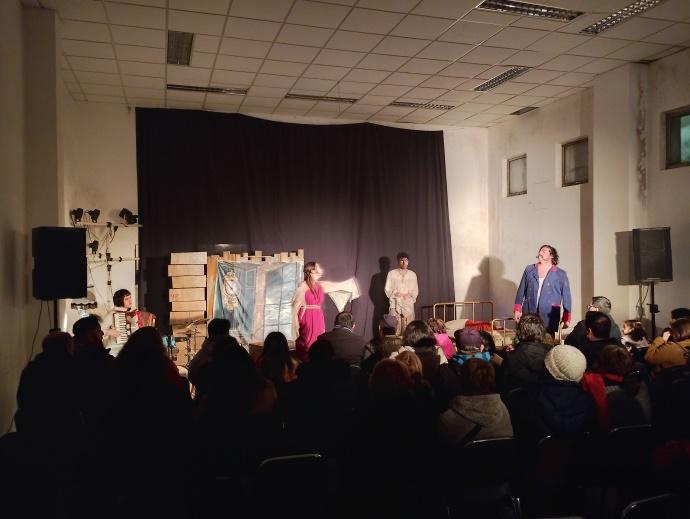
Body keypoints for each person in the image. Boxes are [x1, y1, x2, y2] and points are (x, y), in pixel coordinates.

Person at [514, 244, 572, 335]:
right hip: (530, 311)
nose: (540, 253)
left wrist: (566, 318)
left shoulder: (561, 274)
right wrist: (517, 309)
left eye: (544, 251)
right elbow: (521, 290)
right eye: (540, 251)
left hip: (549, 314)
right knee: (527, 337)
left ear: (551, 255)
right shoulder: (529, 269)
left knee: (547, 340)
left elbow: (567, 297)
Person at [292, 262, 327, 361]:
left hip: (318, 317)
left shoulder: (320, 286)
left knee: (318, 340)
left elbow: (334, 285)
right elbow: (295, 307)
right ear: (310, 271)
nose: (319, 271)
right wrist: (295, 326)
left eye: (319, 269)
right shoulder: (303, 286)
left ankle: (316, 362)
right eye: (316, 269)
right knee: (307, 342)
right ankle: (305, 362)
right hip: (307, 316)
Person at [385, 252, 418, 334]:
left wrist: (410, 295)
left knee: (408, 326)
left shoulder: (412, 274)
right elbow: (387, 288)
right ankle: (395, 342)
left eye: (406, 260)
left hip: (408, 304)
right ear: (398, 261)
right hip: (395, 303)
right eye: (402, 260)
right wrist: (395, 293)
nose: (404, 262)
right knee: (395, 327)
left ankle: (408, 341)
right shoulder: (391, 273)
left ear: (408, 261)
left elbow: (415, 290)